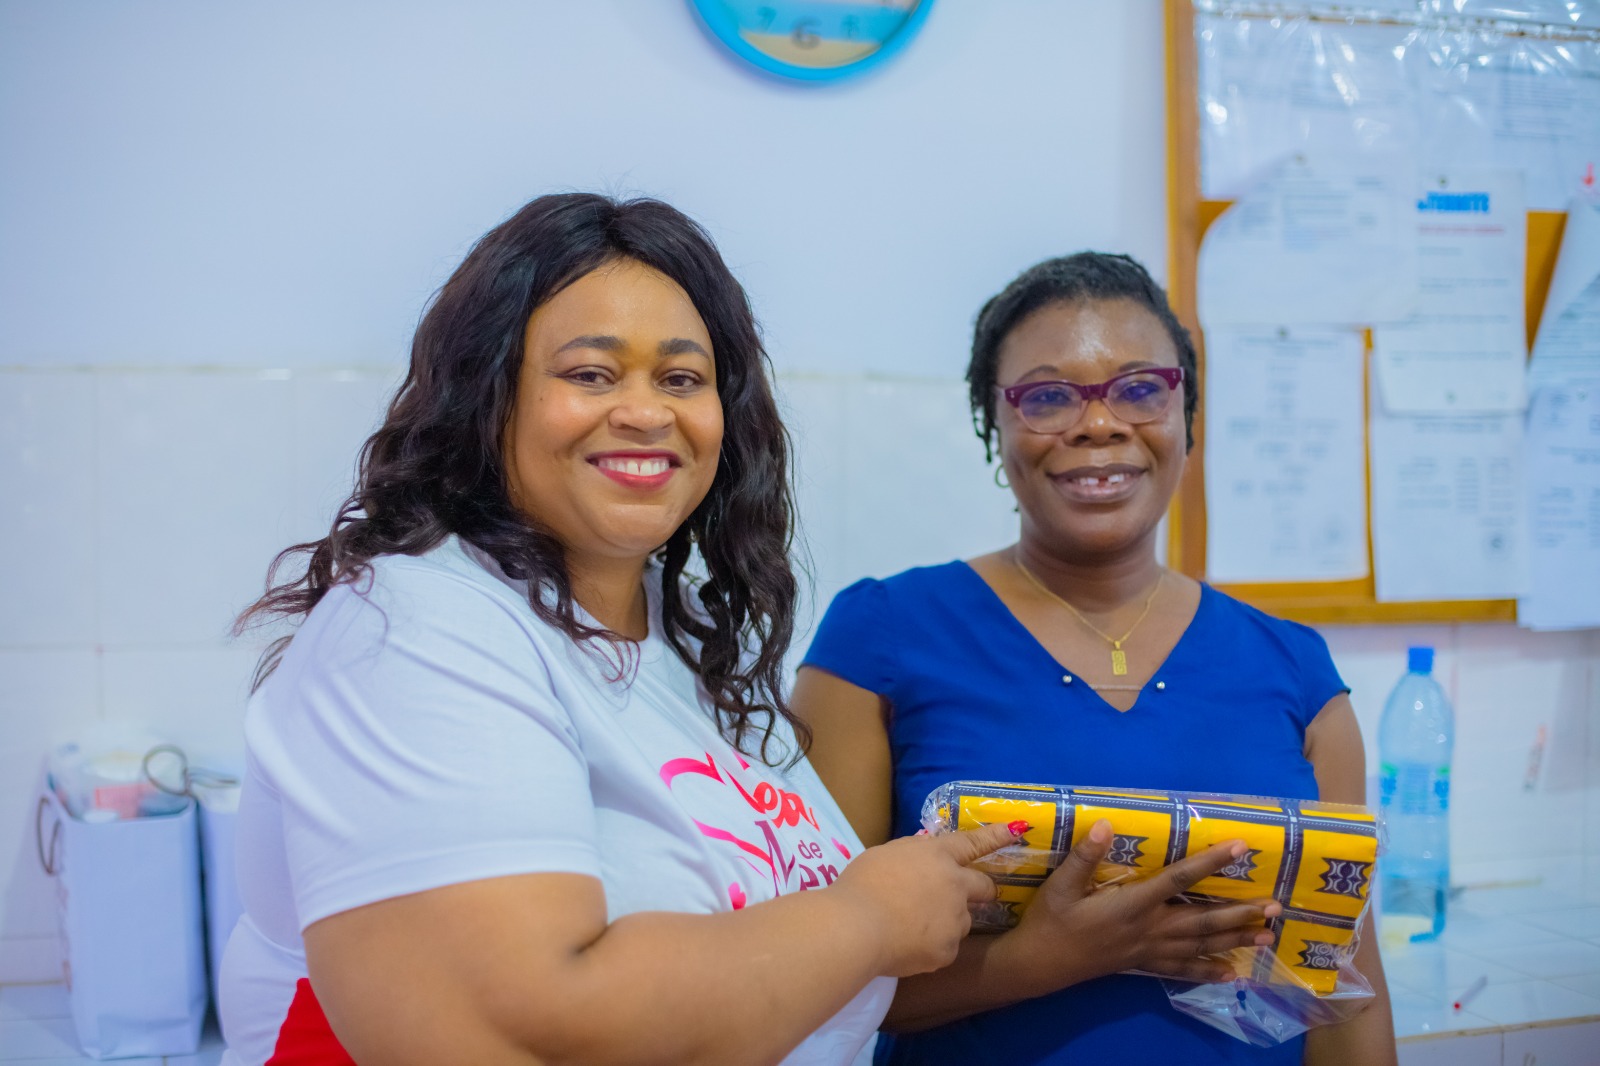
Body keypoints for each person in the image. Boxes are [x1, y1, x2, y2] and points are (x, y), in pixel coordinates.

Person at [217, 192, 1042, 1066]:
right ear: (487, 397)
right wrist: (869, 916)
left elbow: (781, 956)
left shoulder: (688, 635)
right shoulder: (411, 627)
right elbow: (514, 1029)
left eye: (681, 379)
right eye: (590, 374)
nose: (647, 412)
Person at [793, 252, 1398, 1065]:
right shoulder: (882, 637)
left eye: (1141, 389)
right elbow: (802, 978)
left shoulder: (1295, 669)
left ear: (1188, 417)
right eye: (1047, 397)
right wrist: (1042, 959)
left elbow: (1344, 985)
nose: (1099, 424)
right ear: (993, 427)